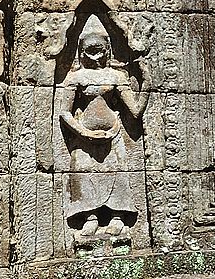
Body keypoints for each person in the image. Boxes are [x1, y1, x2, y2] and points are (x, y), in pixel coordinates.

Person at [59, 14, 149, 239]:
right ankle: (90, 216)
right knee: (83, 173)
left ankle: (118, 216)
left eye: (99, 49)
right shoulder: (75, 77)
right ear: (81, 50)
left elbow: (136, 111)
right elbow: (64, 112)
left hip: (114, 134)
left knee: (117, 174)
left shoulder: (116, 76)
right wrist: (84, 133)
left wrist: (146, 84)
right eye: (90, 49)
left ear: (108, 49)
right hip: (84, 137)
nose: (95, 54)